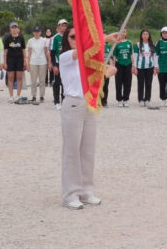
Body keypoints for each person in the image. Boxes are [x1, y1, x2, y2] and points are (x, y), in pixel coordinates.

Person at [58, 25, 119, 210]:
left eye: (79, 36)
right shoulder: (66, 57)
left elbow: (100, 74)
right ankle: (70, 194)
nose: (76, 39)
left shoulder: (88, 59)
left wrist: (109, 71)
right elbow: (81, 51)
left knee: (87, 151)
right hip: (73, 105)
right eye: (72, 37)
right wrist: (106, 37)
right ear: (66, 40)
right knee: (71, 152)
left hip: (89, 105)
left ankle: (86, 190)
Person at [2, 23, 27, 104]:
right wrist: (5, 62)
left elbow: (23, 49)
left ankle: (18, 96)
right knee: (10, 78)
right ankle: (11, 96)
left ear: (18, 29)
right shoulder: (7, 38)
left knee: (19, 78)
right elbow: (5, 51)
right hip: (10, 59)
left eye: (15, 27)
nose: (14, 29)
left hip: (19, 59)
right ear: (10, 29)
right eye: (12, 27)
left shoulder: (21, 37)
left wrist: (25, 60)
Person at [133, 29, 157, 108]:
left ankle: (147, 99)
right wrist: (135, 68)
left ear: (149, 35)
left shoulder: (152, 45)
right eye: (143, 34)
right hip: (140, 67)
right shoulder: (137, 45)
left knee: (148, 84)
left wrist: (155, 67)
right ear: (141, 35)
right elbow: (135, 57)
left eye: (147, 34)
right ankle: (140, 100)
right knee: (140, 84)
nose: (145, 35)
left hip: (150, 67)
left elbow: (155, 57)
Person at [25, 25, 49, 104]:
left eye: (38, 32)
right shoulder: (30, 41)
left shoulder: (44, 41)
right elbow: (29, 52)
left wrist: (48, 63)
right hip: (33, 62)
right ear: (33, 32)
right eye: (35, 32)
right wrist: (27, 64)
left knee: (42, 80)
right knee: (33, 81)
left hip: (42, 62)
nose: (36, 33)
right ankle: (34, 96)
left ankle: (42, 96)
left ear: (40, 32)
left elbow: (46, 52)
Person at [112, 30, 134, 107]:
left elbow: (131, 55)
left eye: (124, 32)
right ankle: (119, 100)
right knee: (118, 82)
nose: (123, 33)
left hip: (128, 64)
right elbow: (114, 56)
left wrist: (133, 66)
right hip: (119, 64)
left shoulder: (129, 43)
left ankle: (126, 99)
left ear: (126, 33)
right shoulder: (116, 43)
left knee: (128, 82)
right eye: (122, 32)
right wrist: (114, 66)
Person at [51, 19, 69, 109]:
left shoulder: (69, 37)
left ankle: (64, 101)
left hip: (67, 64)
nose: (64, 27)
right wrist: (54, 65)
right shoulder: (55, 38)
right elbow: (52, 53)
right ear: (58, 27)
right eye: (62, 25)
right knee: (57, 83)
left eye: (65, 26)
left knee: (65, 83)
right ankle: (56, 102)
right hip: (58, 63)